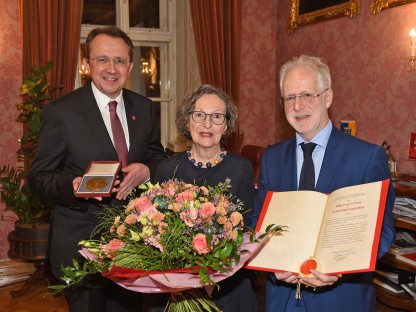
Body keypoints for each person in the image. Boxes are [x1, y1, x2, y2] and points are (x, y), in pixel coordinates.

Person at [27, 26, 167, 312]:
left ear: (130, 65)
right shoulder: (62, 112)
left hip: (133, 244)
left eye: (119, 60)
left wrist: (148, 170)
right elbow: (38, 179)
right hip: (81, 246)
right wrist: (73, 187)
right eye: (102, 59)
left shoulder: (143, 107)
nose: (111, 68)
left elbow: (159, 156)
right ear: (86, 64)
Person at [250, 54, 396, 312]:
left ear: (328, 97)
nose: (298, 106)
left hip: (342, 299)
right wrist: (273, 265)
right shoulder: (272, 157)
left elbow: (382, 232)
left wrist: (339, 268)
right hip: (282, 299)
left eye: (307, 95)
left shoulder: (367, 157)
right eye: (290, 98)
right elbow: (258, 225)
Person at [147, 84, 257, 311]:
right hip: (174, 290)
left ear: (226, 126)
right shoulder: (167, 169)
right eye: (199, 115)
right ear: (187, 121)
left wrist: (209, 278)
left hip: (227, 285)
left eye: (217, 117)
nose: (207, 124)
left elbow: (244, 231)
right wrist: (179, 280)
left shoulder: (241, 169)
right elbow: (154, 233)